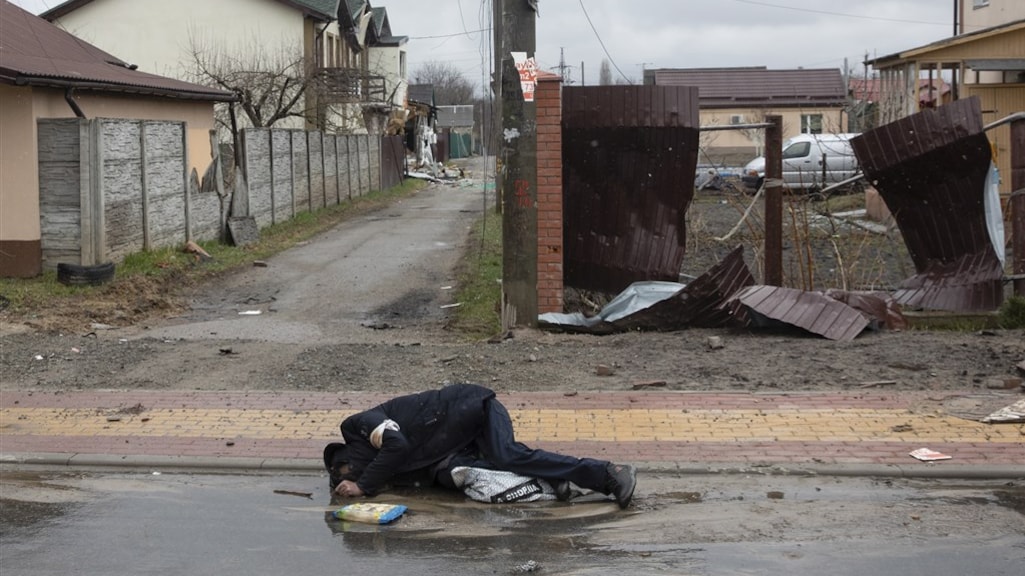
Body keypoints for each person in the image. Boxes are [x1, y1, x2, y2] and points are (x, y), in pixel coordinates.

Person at [323, 383, 637, 508]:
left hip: (476, 409)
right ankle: (551, 478)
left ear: (346, 452)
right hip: (460, 440)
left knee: (508, 454)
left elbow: (397, 444)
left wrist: (362, 485)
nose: (346, 473)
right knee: (453, 473)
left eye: (344, 468)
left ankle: (609, 473)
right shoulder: (387, 466)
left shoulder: (359, 425)